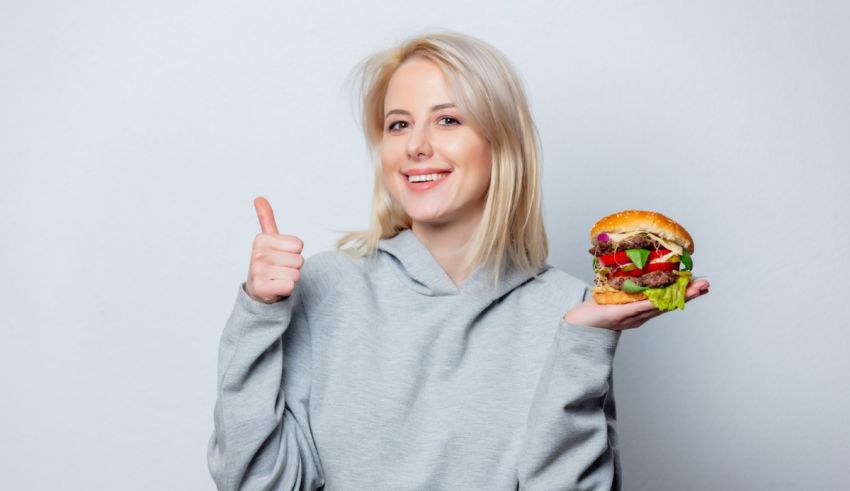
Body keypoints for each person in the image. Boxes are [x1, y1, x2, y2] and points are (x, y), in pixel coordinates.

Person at [207, 30, 710, 490]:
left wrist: (582, 344)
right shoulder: (326, 286)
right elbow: (258, 482)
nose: (417, 146)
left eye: (448, 120)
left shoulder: (571, 308)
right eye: (398, 124)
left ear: (500, 143)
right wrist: (257, 314)